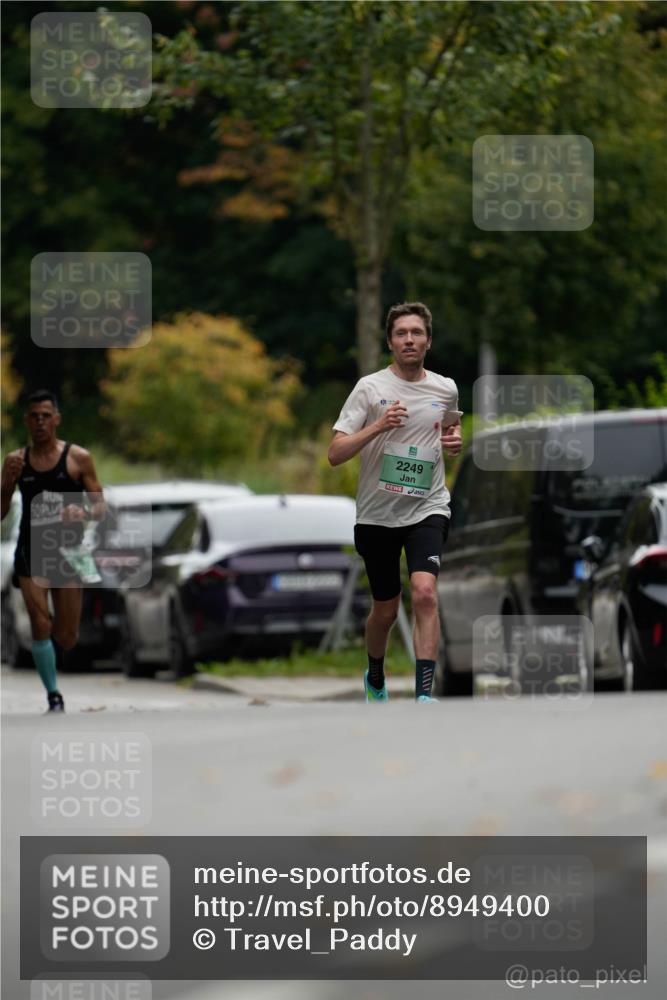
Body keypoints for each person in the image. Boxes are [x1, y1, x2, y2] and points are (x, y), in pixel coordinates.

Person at [328, 302, 462, 703]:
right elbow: (335, 453)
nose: (409, 339)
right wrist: (378, 426)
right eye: (401, 333)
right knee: (385, 609)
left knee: (424, 592)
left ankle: (424, 692)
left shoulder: (445, 388)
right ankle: (375, 676)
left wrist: (453, 444)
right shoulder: (370, 389)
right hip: (377, 514)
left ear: (428, 341)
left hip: (428, 507)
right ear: (390, 342)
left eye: (416, 333)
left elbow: (450, 437)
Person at [0, 390, 106, 712]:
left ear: (56, 419)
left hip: (70, 551)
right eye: (34, 416)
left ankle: (53, 652)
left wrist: (83, 513)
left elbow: (100, 506)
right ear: (27, 421)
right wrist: (6, 482)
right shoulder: (16, 461)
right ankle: (54, 695)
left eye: (46, 415)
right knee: (39, 621)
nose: (40, 422)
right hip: (31, 550)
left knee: (67, 636)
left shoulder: (78, 458)